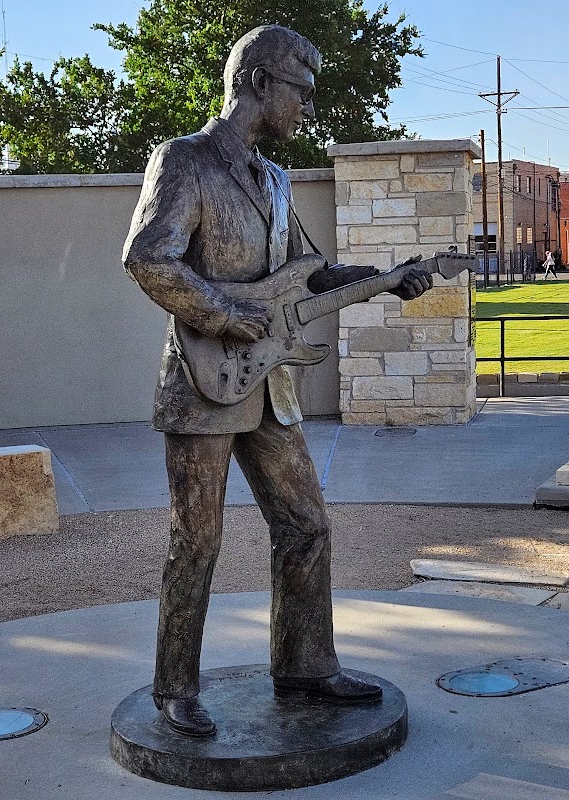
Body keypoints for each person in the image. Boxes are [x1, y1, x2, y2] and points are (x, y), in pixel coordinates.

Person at [122, 24, 433, 738]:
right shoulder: (184, 161)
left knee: (307, 524)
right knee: (195, 539)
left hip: (271, 390)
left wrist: (386, 281)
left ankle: (305, 667)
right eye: (305, 92)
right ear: (260, 82)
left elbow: (310, 272)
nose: (309, 109)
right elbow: (148, 260)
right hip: (203, 383)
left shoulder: (276, 178)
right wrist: (228, 315)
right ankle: (175, 688)